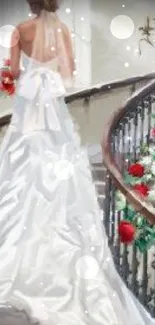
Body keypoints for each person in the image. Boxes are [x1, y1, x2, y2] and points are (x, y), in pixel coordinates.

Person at [0, 0, 154, 324]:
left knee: (22, 172)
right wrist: (49, 71)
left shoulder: (21, 31)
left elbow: (12, 73)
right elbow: (68, 75)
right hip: (51, 107)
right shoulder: (62, 30)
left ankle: (22, 257)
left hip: (29, 105)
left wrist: (18, 76)